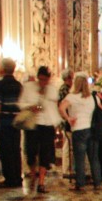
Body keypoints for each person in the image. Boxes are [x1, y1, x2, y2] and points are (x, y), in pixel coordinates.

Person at [59, 73, 101, 191]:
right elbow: (100, 109)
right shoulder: (94, 97)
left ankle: (80, 184)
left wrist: (68, 118)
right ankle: (97, 182)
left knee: (79, 158)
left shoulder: (71, 97)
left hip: (78, 129)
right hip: (92, 130)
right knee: (94, 158)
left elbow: (61, 108)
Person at [22, 66, 60, 194]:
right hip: (32, 124)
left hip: (47, 124)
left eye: (45, 80)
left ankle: (41, 182)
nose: (43, 82)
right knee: (31, 151)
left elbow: (52, 106)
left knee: (45, 153)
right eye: (41, 79)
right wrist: (32, 106)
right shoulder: (29, 88)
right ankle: (33, 175)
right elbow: (21, 103)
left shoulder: (52, 90)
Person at [0, 57, 23, 187]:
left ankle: (9, 178)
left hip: (5, 120)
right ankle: (17, 177)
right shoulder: (19, 85)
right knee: (16, 149)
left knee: (5, 150)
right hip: (17, 120)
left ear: (3, 69)